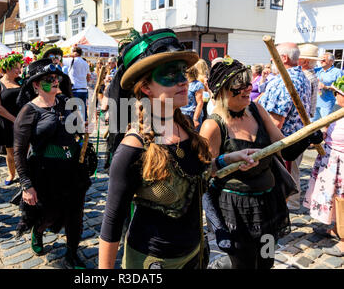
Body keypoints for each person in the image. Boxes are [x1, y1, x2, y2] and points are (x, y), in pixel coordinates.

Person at [98, 29, 259, 269]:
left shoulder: (186, 130)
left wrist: (227, 159)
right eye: (170, 75)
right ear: (146, 88)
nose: (183, 81)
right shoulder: (133, 148)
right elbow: (112, 221)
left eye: (182, 72)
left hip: (195, 252)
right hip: (153, 261)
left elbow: (195, 175)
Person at [200, 57, 322, 269]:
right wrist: (226, 161)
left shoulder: (257, 110)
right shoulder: (212, 125)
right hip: (234, 210)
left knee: (266, 259)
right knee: (244, 263)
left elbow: (285, 148)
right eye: (240, 85)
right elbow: (204, 171)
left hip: (267, 204)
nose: (249, 88)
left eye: (249, 83)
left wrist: (307, 138)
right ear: (222, 90)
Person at [14, 58, 91, 268]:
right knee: (48, 215)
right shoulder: (28, 112)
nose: (55, 81)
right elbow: (19, 152)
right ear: (36, 85)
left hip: (73, 168)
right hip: (45, 172)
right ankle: (37, 232)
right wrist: (27, 185)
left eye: (56, 77)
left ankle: (72, 253)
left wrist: (82, 128)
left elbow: (75, 130)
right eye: (48, 79)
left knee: (75, 215)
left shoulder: (67, 102)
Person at [259, 42, 312, 211]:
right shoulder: (303, 77)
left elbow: (275, 121)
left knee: (280, 180)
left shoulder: (284, 81)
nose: (270, 60)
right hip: (298, 138)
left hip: (283, 142)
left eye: (273, 57)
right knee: (292, 175)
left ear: (283, 58)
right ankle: (290, 205)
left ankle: (282, 210)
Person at [304, 75, 344, 257]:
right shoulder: (338, 112)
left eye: (338, 93)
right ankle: (336, 228)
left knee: (342, 200)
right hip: (331, 160)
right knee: (333, 197)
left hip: (341, 163)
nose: (335, 95)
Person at [0, 53, 24, 186]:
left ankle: (24, 173)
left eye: (19, 67)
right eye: (16, 67)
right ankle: (11, 173)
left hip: (23, 120)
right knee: (11, 151)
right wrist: (14, 120)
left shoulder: (20, 81)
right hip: (7, 122)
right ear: (7, 67)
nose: (19, 70)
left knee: (25, 148)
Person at [63, 46, 91, 120]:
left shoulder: (71, 60)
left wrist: (69, 55)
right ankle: (84, 125)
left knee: (74, 109)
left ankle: (77, 126)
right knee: (83, 109)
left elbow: (59, 58)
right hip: (84, 89)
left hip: (75, 88)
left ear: (74, 52)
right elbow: (88, 77)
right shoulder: (85, 63)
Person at [313, 52, 343, 121]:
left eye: (324, 60)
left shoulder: (337, 72)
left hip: (327, 103)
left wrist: (326, 87)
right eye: (321, 60)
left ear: (331, 61)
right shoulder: (317, 70)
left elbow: (340, 89)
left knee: (326, 124)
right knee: (311, 123)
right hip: (314, 102)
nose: (321, 61)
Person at [298, 44, 321, 119]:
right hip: (306, 114)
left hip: (301, 115)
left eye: (298, 59)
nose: (296, 61)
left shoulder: (305, 76)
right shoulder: (310, 74)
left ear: (305, 62)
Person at [180, 65, 205, 131]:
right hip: (181, 115)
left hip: (191, 116)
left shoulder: (197, 85)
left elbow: (200, 103)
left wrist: (195, 119)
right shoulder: (182, 83)